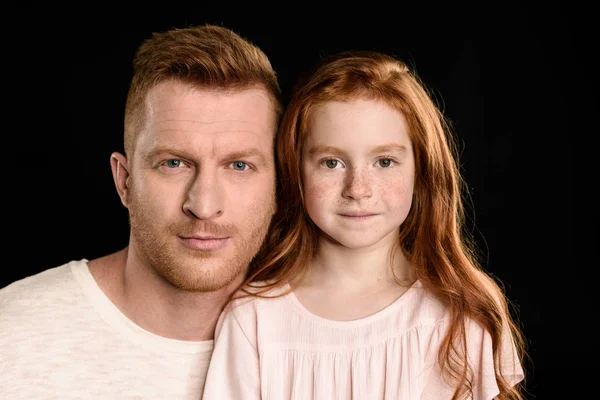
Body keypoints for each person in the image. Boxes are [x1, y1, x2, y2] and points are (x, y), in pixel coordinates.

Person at [202, 50, 527, 400]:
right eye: (331, 163)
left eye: (384, 161)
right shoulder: (254, 319)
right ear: (295, 170)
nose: (358, 189)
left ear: (422, 170)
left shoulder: (460, 315)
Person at [0, 24, 282, 399]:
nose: (203, 206)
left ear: (280, 186)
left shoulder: (327, 349)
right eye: (174, 164)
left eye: (239, 166)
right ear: (124, 181)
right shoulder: (12, 335)